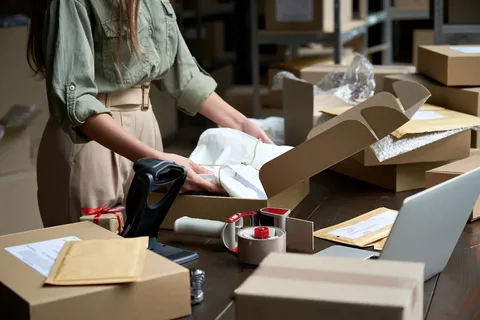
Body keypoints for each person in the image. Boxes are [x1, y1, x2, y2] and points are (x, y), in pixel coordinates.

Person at [27, 0, 273, 228]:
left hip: (146, 129)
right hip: (93, 139)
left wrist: (242, 125)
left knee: (145, 248)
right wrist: (157, 160)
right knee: (93, 257)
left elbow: (184, 76)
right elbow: (77, 100)